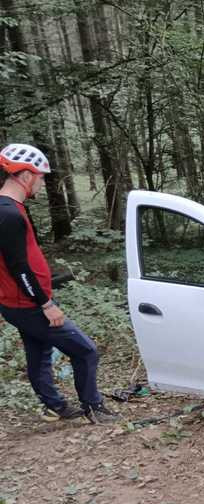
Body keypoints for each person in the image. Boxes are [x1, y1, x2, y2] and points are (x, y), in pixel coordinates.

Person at [0, 143, 117, 424]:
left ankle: (54, 406)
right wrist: (46, 304)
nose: (42, 184)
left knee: (39, 351)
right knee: (85, 350)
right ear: (25, 176)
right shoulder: (8, 214)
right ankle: (93, 407)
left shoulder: (10, 209)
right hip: (27, 303)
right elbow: (19, 268)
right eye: (40, 177)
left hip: (18, 301)